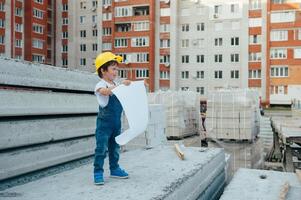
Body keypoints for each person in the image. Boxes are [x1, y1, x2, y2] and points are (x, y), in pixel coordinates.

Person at [93, 52, 131, 185]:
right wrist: (121, 86)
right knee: (101, 148)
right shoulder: (100, 85)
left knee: (115, 147)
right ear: (103, 70)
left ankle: (114, 169)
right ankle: (98, 172)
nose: (116, 71)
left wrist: (129, 86)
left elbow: (123, 92)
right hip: (104, 125)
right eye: (113, 69)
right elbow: (106, 92)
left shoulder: (116, 84)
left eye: (117, 69)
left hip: (116, 123)